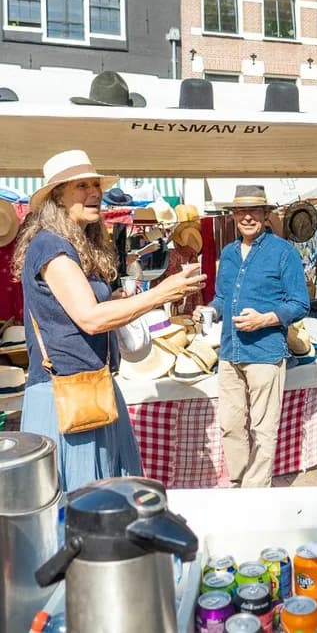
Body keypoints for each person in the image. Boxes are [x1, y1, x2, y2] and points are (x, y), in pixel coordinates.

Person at [12, 149, 205, 493]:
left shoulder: (74, 244)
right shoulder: (51, 247)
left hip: (92, 387)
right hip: (65, 396)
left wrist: (117, 301)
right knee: (84, 507)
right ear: (57, 197)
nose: (95, 192)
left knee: (105, 502)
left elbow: (79, 312)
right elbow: (89, 319)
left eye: (95, 184)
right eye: (81, 186)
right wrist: (160, 294)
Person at [194, 185, 309, 487]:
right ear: (232, 215)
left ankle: (256, 492)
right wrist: (210, 311)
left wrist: (265, 320)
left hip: (265, 353)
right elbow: (221, 297)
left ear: (266, 215)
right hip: (230, 353)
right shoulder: (229, 254)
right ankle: (238, 482)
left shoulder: (283, 252)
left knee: (263, 429)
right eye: (241, 211)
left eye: (254, 211)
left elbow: (300, 304)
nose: (247, 217)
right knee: (230, 425)